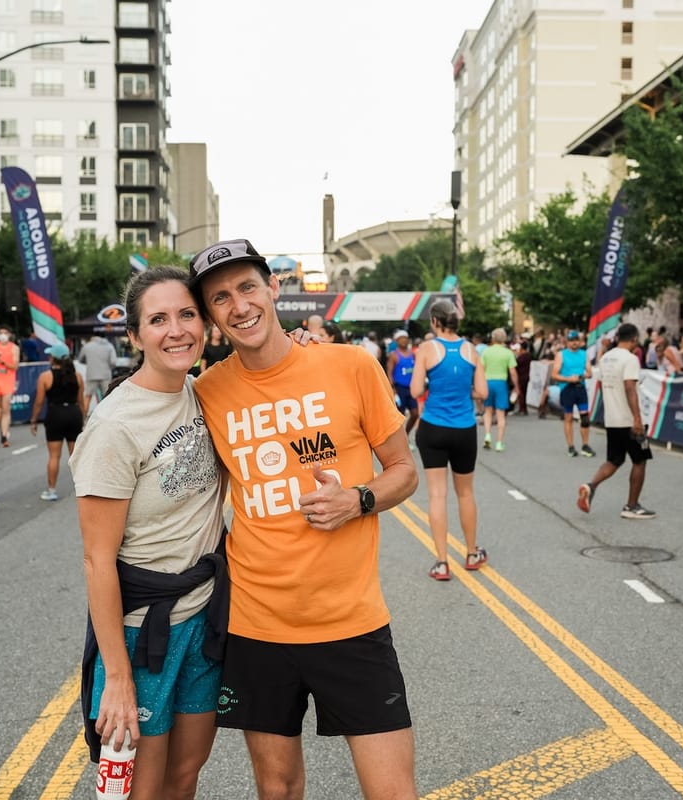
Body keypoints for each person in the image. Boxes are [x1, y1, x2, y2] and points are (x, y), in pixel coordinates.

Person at [189, 238, 419, 800]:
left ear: (274, 289)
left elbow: (403, 470)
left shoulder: (350, 365)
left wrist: (357, 500)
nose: (239, 305)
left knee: (392, 792)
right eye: (221, 298)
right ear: (212, 317)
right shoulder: (207, 393)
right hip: (256, 626)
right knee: (279, 789)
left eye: (247, 287)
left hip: (351, 621)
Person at [71, 268, 229, 798]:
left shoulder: (202, 392)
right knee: (144, 788)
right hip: (143, 634)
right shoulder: (114, 427)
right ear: (135, 337)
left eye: (187, 315)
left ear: (205, 325)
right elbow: (97, 560)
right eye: (157, 320)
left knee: (186, 775)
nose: (177, 330)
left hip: (204, 616)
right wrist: (116, 676)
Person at [409, 300, 488, 581]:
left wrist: (436, 383)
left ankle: (442, 562)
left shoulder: (427, 349)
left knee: (437, 495)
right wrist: (462, 387)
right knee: (465, 493)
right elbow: (482, 391)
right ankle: (471, 553)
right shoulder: (472, 350)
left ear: (434, 321)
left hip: (433, 427)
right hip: (464, 428)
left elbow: (416, 388)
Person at [576, 323, 656, 520]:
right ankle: (632, 505)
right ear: (635, 339)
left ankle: (591, 486)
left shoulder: (605, 358)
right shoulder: (630, 359)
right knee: (640, 460)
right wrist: (637, 419)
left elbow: (603, 387)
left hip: (612, 418)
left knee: (614, 460)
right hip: (629, 420)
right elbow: (630, 387)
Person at [30, 343, 86, 501]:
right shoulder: (77, 376)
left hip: (55, 414)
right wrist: (83, 419)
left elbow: (39, 402)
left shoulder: (45, 377)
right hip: (73, 414)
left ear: (53, 358)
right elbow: (81, 401)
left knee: (54, 456)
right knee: (76, 456)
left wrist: (34, 420)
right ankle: (83, 489)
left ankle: (52, 490)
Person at [551, 330, 594, 458]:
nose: (574, 343)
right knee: (568, 417)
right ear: (567, 342)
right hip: (567, 388)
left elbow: (590, 372)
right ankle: (571, 446)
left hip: (580, 387)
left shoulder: (584, 354)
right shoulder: (561, 355)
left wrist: (585, 375)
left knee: (585, 418)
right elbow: (554, 374)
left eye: (576, 340)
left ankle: (585, 445)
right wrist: (568, 379)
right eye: (571, 340)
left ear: (580, 341)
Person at [480, 328, 518, 452]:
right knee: (501, 413)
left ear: (493, 338)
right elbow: (512, 372)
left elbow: (481, 368)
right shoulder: (508, 353)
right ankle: (499, 442)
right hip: (501, 382)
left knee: (488, 411)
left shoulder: (486, 352)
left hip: (488, 381)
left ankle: (487, 435)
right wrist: (516, 386)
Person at [0, 324, 20, 447]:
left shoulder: (14, 348)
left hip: (8, 380)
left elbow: (15, 366)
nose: (2, 336)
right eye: (0, 333)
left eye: (5, 333)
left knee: (6, 407)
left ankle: (4, 434)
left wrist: (3, 362)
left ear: (9, 335)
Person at [386, 329, 420, 439]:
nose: (404, 341)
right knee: (400, 416)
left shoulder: (412, 354)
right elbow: (389, 373)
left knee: (415, 414)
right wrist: (393, 389)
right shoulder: (394, 355)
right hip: (399, 388)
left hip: (410, 388)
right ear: (396, 341)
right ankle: (399, 440)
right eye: (401, 339)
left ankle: (406, 435)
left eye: (405, 338)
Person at [79, 333, 117, 408]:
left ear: (93, 337)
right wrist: (108, 368)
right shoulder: (109, 346)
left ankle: (83, 417)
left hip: (91, 375)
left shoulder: (87, 346)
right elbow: (113, 362)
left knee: (87, 397)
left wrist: (89, 362)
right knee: (107, 397)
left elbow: (80, 359)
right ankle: (107, 417)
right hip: (105, 375)